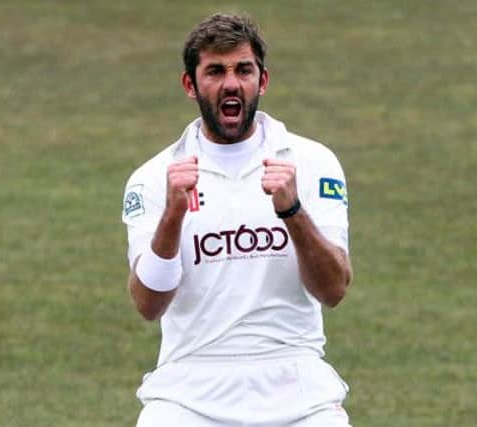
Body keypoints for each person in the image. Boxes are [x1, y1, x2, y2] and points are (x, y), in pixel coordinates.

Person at [122, 12, 353, 427]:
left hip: (296, 387)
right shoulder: (153, 178)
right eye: (215, 71)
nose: (231, 83)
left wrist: (292, 212)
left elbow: (333, 289)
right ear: (190, 85)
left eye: (243, 70)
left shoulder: (313, 163)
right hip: (188, 392)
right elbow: (148, 304)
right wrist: (173, 214)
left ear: (262, 81)